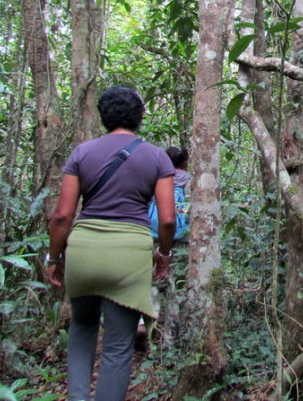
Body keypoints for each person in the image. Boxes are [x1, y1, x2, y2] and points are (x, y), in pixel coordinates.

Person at [45, 86, 177, 401]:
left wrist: (54, 258)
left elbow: (62, 216)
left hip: (84, 252)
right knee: (118, 345)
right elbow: (168, 219)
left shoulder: (82, 153)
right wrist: (163, 253)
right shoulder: (157, 157)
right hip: (130, 255)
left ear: (104, 116)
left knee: (82, 329)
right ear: (139, 116)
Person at [149, 146, 191, 241]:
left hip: (153, 232)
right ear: (185, 162)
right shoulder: (189, 181)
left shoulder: (157, 179)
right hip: (180, 234)